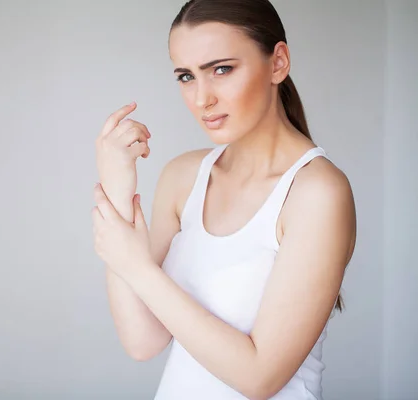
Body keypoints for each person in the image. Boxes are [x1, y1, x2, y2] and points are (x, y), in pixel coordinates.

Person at [91, 0, 357, 399]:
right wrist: (117, 186)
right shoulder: (183, 177)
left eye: (221, 69)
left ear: (278, 62)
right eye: (185, 76)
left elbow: (259, 377)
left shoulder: (317, 193)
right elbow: (142, 341)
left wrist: (136, 265)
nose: (202, 99)